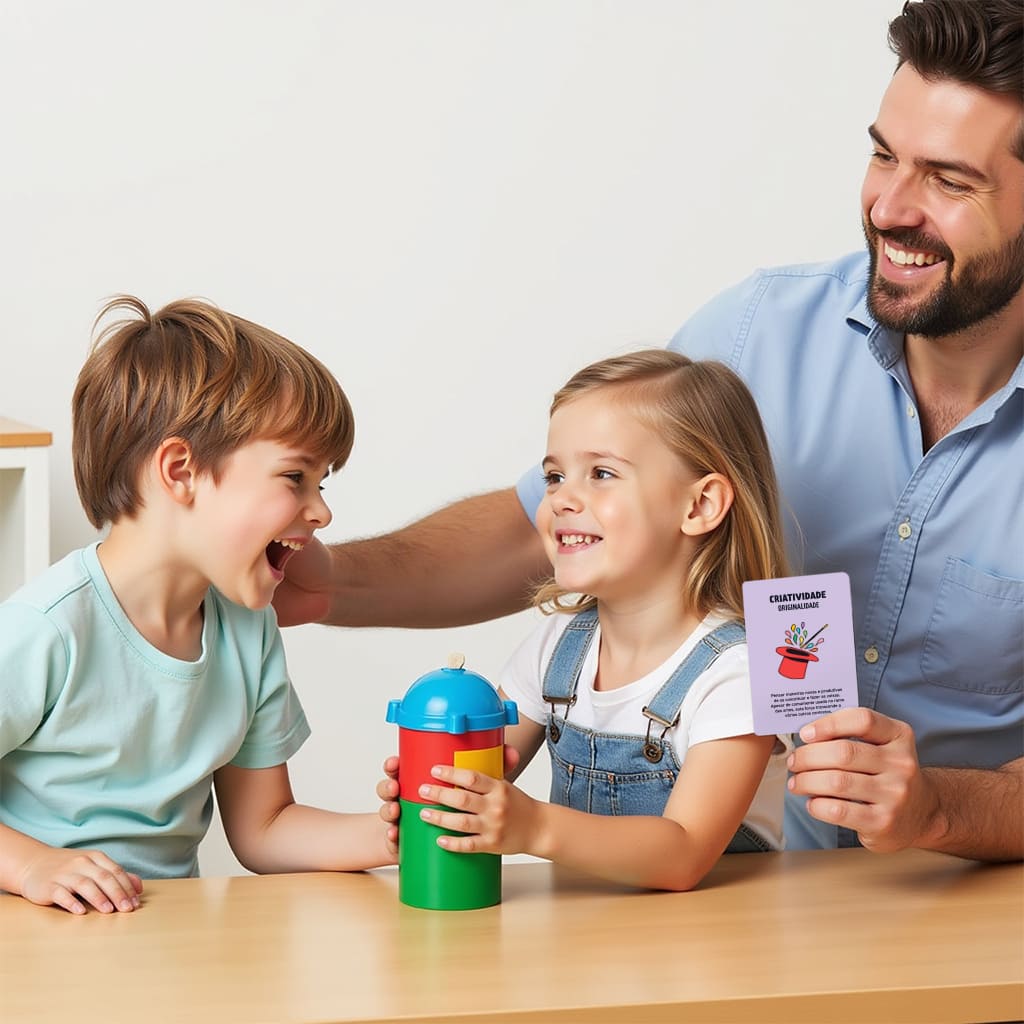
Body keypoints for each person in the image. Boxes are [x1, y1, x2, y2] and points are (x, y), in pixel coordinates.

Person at [277, 0, 1023, 861]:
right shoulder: (756, 335)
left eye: (950, 180)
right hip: (770, 900)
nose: (890, 208)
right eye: (883, 155)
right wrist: (326, 584)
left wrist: (941, 810)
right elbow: (541, 531)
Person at [0, 297, 395, 916]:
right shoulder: (46, 629)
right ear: (180, 469)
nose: (321, 511)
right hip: (36, 931)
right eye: (296, 477)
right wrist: (31, 867)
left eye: (323, 484)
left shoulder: (248, 629)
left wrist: (392, 834)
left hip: (161, 936)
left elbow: (264, 828)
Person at [381, 351, 790, 889]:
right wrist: (442, 797)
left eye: (601, 473)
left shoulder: (737, 672)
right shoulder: (559, 646)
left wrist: (534, 826)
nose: (561, 498)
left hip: (709, 954)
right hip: (580, 942)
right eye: (554, 476)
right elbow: (491, 769)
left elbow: (684, 852)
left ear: (700, 506)